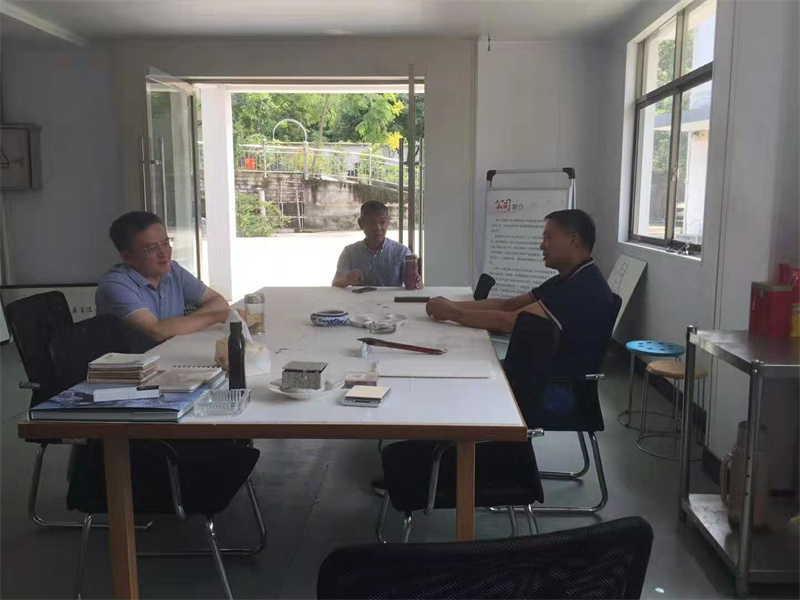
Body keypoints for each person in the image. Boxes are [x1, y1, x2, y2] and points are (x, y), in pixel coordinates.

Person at [426, 209, 616, 377]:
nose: (542, 245)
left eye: (548, 238)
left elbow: (509, 322)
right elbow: (508, 305)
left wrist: (452, 313)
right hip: (540, 369)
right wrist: (449, 305)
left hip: (554, 386)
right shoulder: (569, 277)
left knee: (459, 368)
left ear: (573, 241)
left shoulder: (583, 287)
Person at [96, 211, 230, 343]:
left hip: (173, 351)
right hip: (139, 356)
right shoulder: (115, 285)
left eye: (166, 243)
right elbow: (156, 331)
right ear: (127, 257)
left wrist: (179, 325)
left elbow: (218, 302)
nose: (163, 253)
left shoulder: (174, 271)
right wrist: (218, 317)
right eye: (151, 248)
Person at [332, 200, 413, 288]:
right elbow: (336, 283)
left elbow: (414, 284)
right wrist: (346, 280)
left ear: (388, 222)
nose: (378, 228)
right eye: (372, 223)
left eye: (382, 222)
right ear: (361, 224)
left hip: (391, 297)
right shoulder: (349, 252)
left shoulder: (402, 253)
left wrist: (416, 282)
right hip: (360, 297)